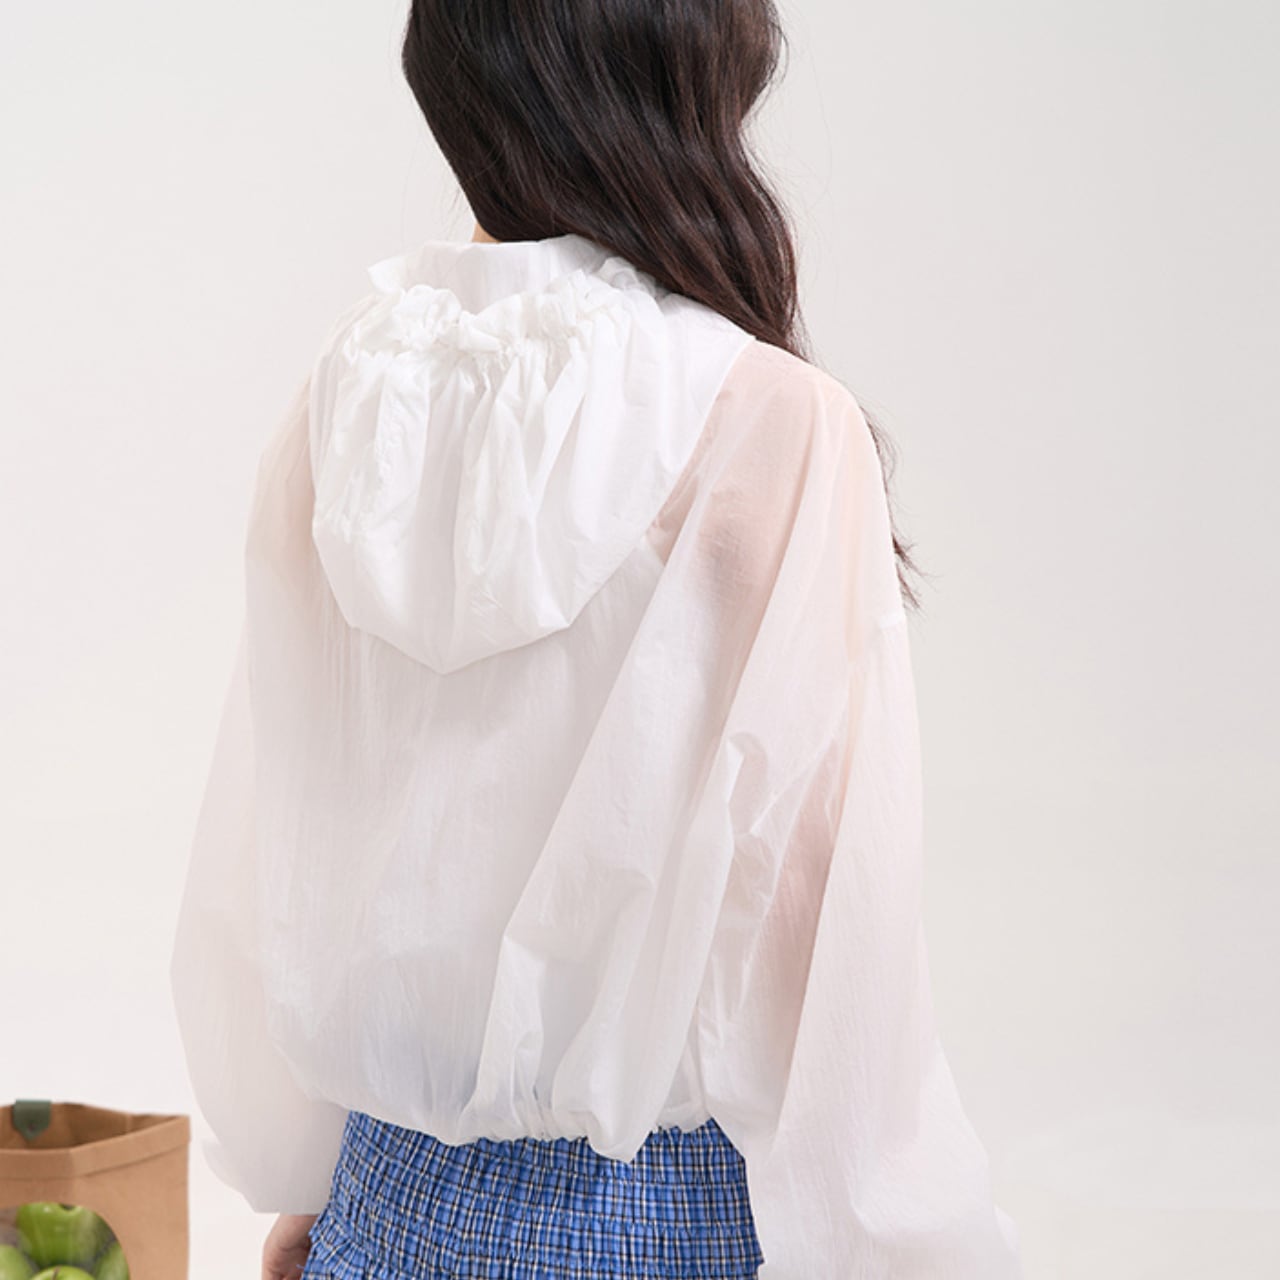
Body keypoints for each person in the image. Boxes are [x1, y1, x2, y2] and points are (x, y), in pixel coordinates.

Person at [168, 2, 1026, 1277]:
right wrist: (912, 1244)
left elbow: (280, 839)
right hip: (662, 1219)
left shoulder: (345, 403)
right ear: (684, 84)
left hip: (378, 1204)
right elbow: (818, 922)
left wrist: (309, 1173)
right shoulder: (770, 423)